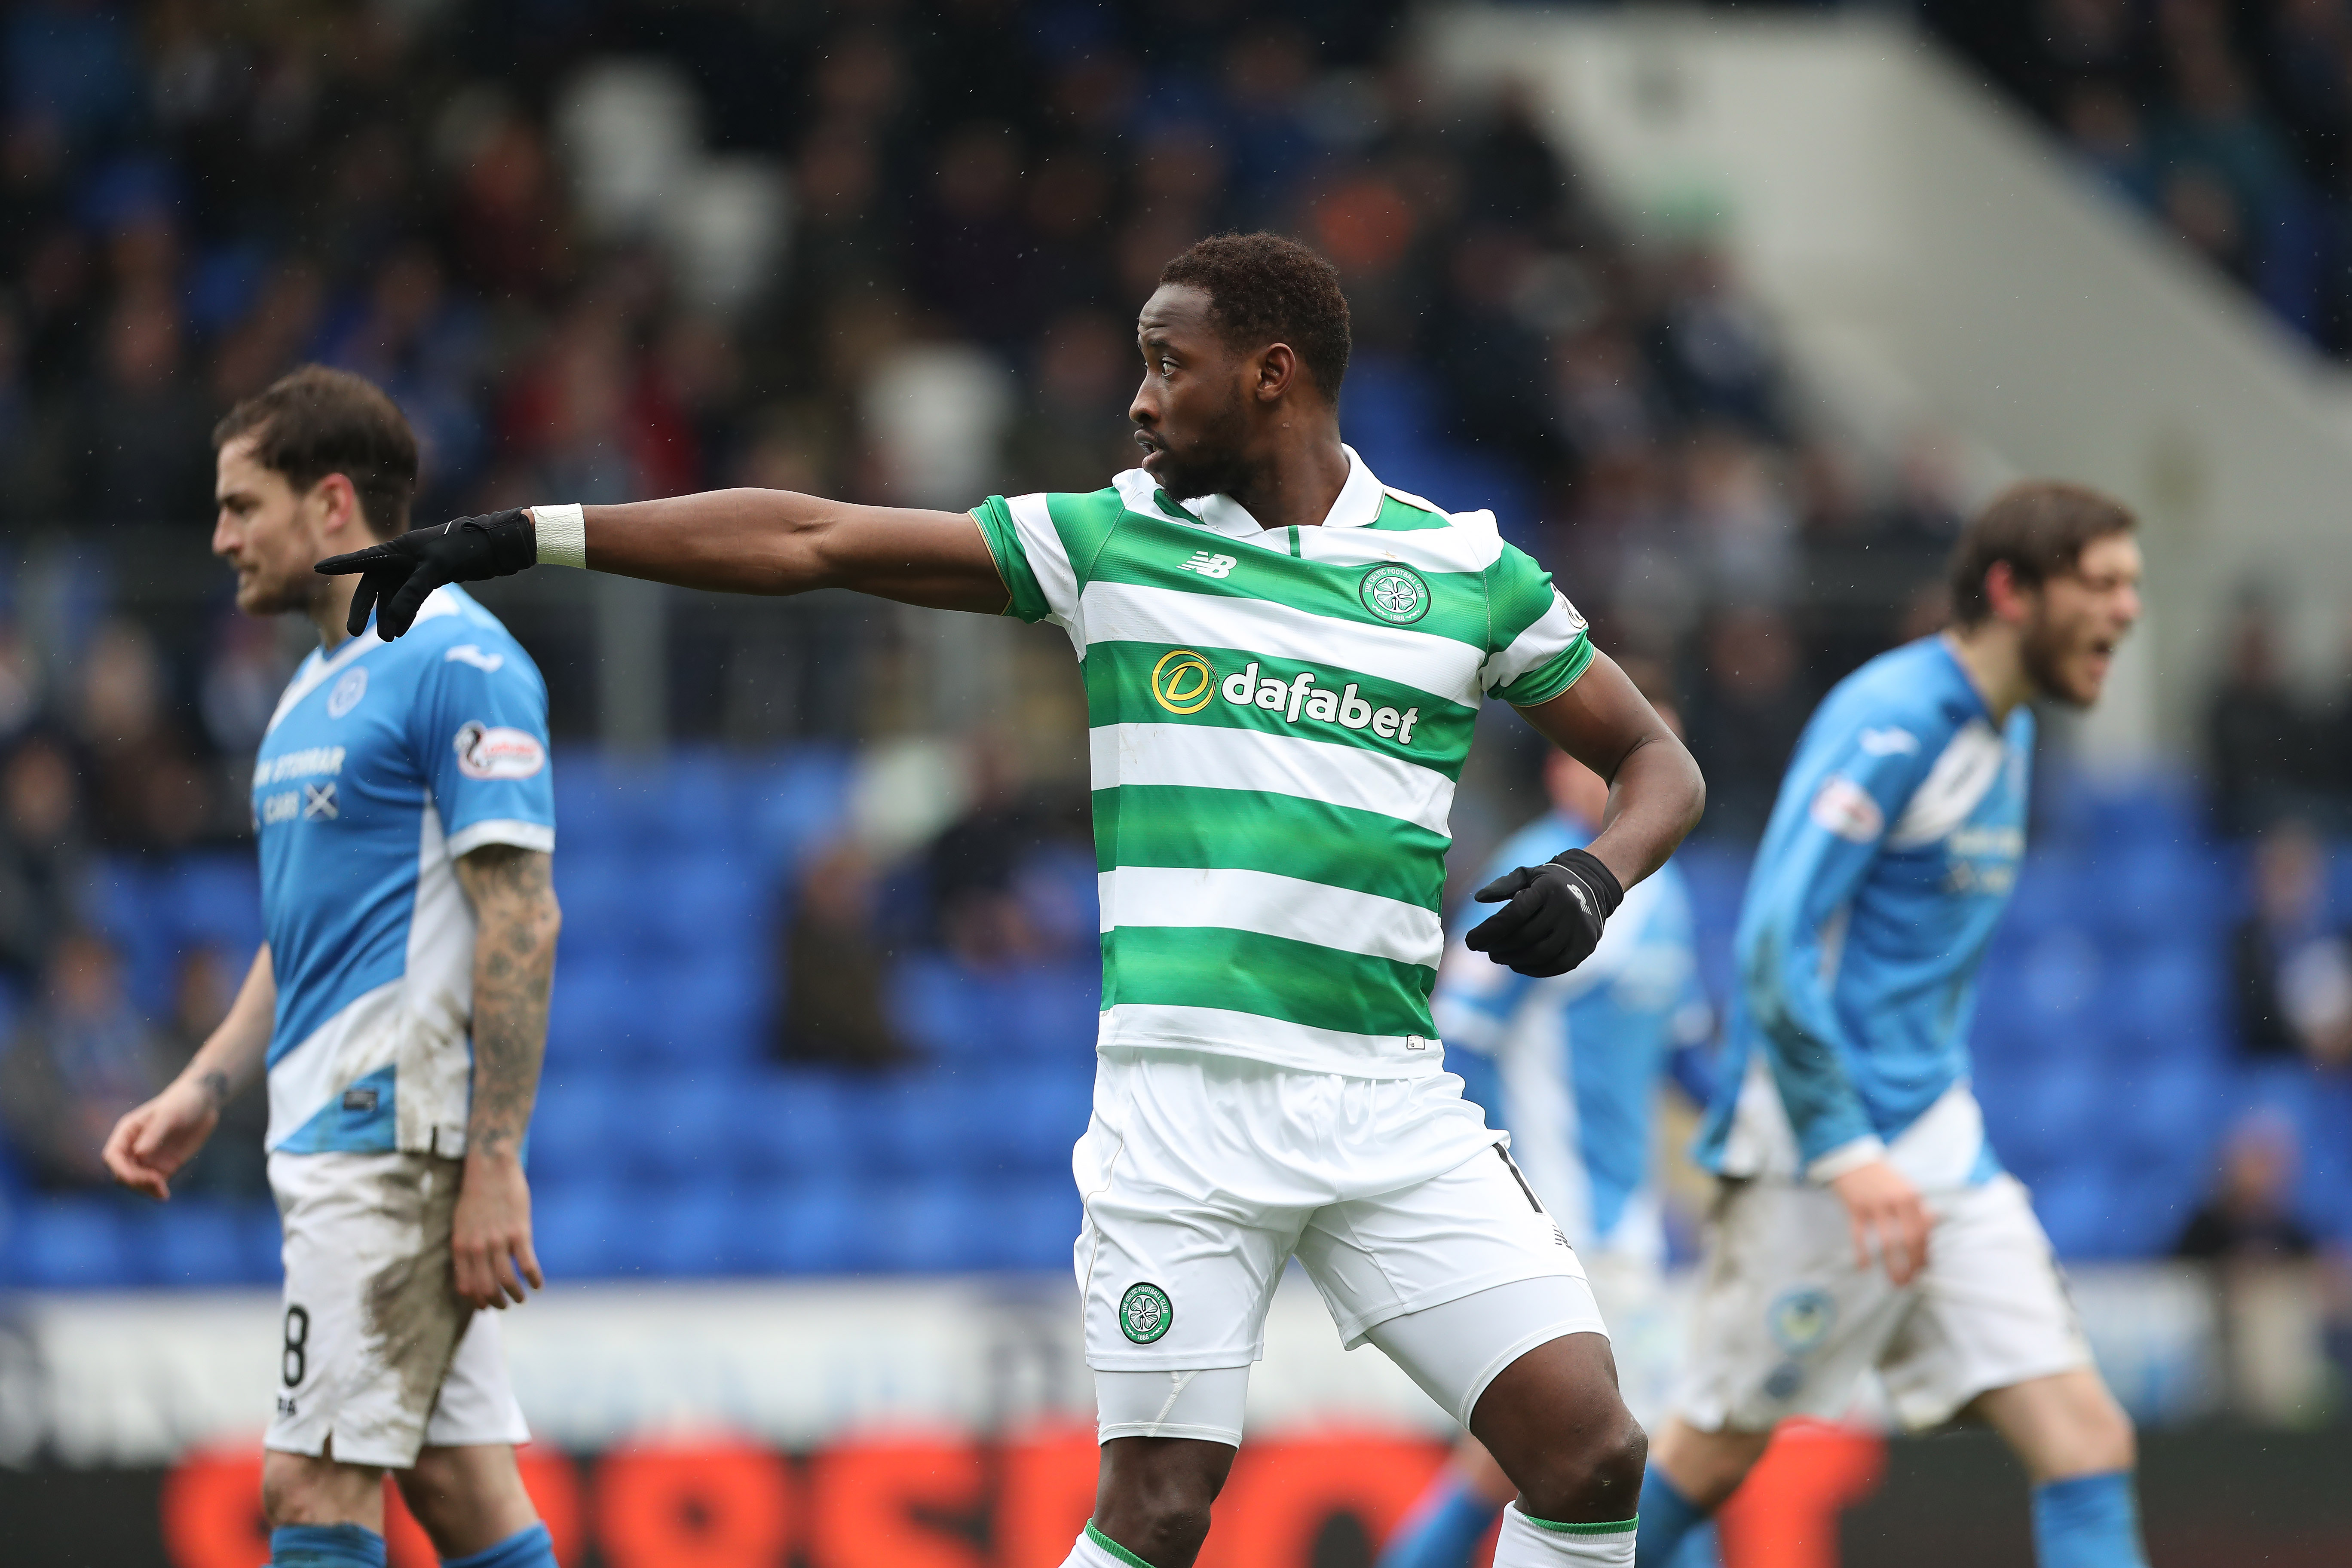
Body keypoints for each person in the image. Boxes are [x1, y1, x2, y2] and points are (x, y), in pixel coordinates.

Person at [322, 233, 1707, 1568]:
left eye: (1171, 366)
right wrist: (527, 535)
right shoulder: (1111, 545)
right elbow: (813, 537)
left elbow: (1657, 763)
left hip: (1392, 1105)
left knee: (1592, 1459)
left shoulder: (1464, 571)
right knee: (1160, 1509)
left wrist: (1598, 874)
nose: (1139, 397)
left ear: (1273, 375)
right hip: (1186, 1112)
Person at [1633, 484, 2150, 1568]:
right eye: (2102, 584)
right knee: (1709, 1458)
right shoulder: (1898, 719)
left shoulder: (2006, 732)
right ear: (2011, 591)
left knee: (2086, 1440)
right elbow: (1774, 943)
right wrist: (1845, 1147)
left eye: (2132, 585)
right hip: (1821, 1160)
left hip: (1937, 1148)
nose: (2128, 610)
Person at [102, 367, 564, 1568]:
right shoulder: (305, 693)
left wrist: (494, 1160)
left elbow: (522, 912)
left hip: (388, 1138)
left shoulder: (459, 657)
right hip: (328, 1130)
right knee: (461, 1493)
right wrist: (202, 1087)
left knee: (309, 1487)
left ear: (333, 506)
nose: (219, 538)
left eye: (241, 505)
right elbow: (302, 927)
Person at [1379, 739, 1718, 1568]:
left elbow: (1681, 1060)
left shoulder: (1662, 889)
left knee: (1510, 1466)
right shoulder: (1532, 875)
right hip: (1563, 1219)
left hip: (1627, 1222)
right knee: (1669, 1457)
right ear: (1559, 769)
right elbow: (1451, 1035)